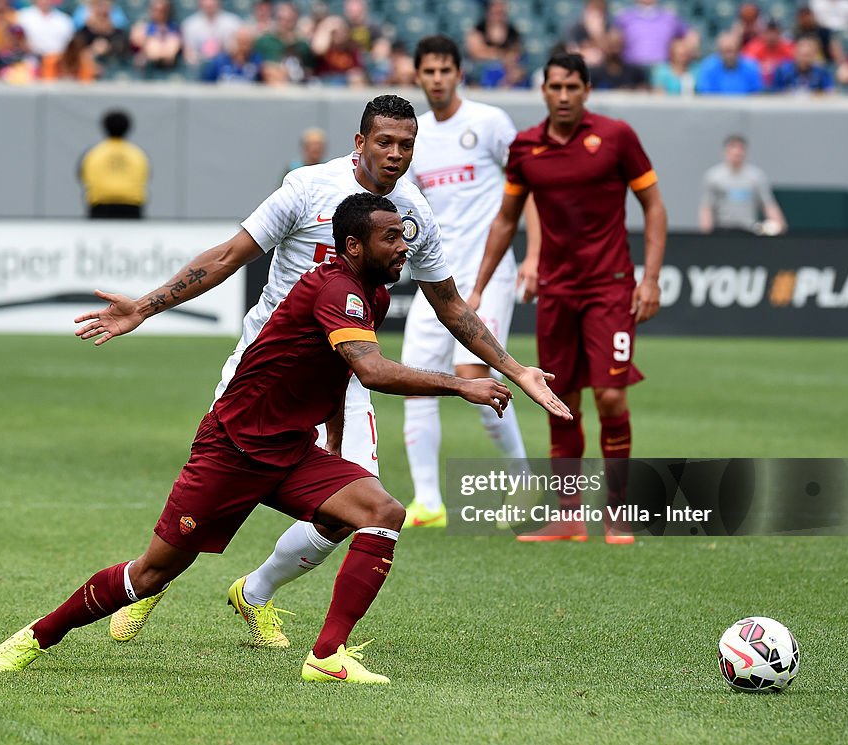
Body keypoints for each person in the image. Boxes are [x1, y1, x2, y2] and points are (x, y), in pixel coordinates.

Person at [71, 94, 570, 649]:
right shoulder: (308, 186)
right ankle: (156, 578)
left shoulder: (413, 213)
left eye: (407, 145)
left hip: (350, 374)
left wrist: (514, 368)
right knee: (206, 503)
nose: (396, 154)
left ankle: (255, 593)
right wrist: (145, 306)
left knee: (360, 511)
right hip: (265, 374)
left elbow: (449, 304)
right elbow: (230, 255)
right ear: (360, 143)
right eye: (385, 142)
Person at [0, 193, 523, 683]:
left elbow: (336, 374)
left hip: (290, 450)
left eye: (405, 233)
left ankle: (326, 656)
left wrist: (333, 446)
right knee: (151, 574)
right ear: (354, 245)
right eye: (392, 236)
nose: (405, 244)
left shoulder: (371, 295)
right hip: (233, 448)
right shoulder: (336, 288)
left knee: (381, 511)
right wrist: (463, 384)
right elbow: (374, 372)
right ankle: (40, 634)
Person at [469, 51, 667, 544]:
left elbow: (654, 207)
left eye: (572, 87)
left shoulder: (617, 137)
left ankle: (619, 512)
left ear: (586, 90)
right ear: (543, 90)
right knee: (562, 401)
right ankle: (568, 517)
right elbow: (507, 219)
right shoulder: (526, 148)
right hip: (556, 293)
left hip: (610, 287)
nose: (563, 96)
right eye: (555, 87)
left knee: (611, 396)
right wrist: (476, 288)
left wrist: (651, 279)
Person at [400, 35, 539, 529]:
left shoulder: (489, 121)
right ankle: (429, 503)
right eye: (428, 71)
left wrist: (533, 255)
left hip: (490, 270)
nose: (436, 79)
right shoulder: (415, 137)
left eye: (444, 70)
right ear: (418, 76)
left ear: (459, 73)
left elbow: (529, 187)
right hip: (435, 275)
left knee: (476, 373)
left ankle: (524, 483)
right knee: (415, 378)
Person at [699, 134, 787, 236]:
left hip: (749, 231)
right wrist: (706, 233)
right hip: (722, 230)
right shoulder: (713, 176)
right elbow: (707, 206)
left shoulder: (756, 176)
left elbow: (768, 203)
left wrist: (779, 224)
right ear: (725, 151)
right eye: (733, 148)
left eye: (741, 148)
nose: (737, 152)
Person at [78, 110, 150, 218]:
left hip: (100, 207)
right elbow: (146, 176)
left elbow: (82, 176)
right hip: (132, 208)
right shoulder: (138, 154)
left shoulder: (93, 153)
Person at [613, 0, 697, 69]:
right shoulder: (624, 17)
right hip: (632, 67)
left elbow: (690, 36)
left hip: (661, 69)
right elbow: (613, 40)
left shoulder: (669, 17)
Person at [695, 32, 763, 95]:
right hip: (716, 107)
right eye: (724, 51)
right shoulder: (708, 68)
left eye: (731, 51)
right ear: (719, 52)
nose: (728, 56)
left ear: (739, 50)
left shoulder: (751, 67)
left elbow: (755, 95)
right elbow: (706, 97)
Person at [770, 35, 835, 95]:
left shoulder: (821, 73)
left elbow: (829, 92)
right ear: (795, 53)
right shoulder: (782, 71)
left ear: (814, 55)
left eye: (808, 55)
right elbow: (776, 93)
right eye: (803, 55)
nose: (805, 60)